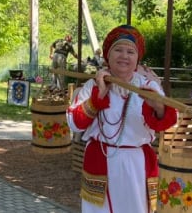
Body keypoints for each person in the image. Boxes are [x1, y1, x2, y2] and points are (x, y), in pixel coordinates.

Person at [66, 24, 178, 213]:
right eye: (118, 50)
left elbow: (167, 123)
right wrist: (97, 97)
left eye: (130, 52)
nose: (124, 56)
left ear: (137, 58)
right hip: (100, 160)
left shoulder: (148, 86)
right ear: (108, 55)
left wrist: (158, 106)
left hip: (137, 165)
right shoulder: (92, 85)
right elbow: (74, 124)